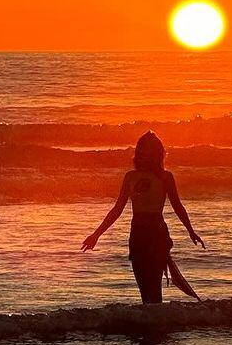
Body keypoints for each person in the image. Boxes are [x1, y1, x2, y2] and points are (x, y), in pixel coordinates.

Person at [81, 130, 204, 305]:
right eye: (142, 150)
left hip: (156, 233)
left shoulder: (165, 177)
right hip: (137, 234)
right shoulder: (130, 177)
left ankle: (157, 328)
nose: (144, 154)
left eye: (149, 150)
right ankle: (150, 328)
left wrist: (191, 231)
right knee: (144, 288)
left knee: (154, 287)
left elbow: (177, 206)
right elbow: (117, 209)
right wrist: (96, 234)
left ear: (157, 153)